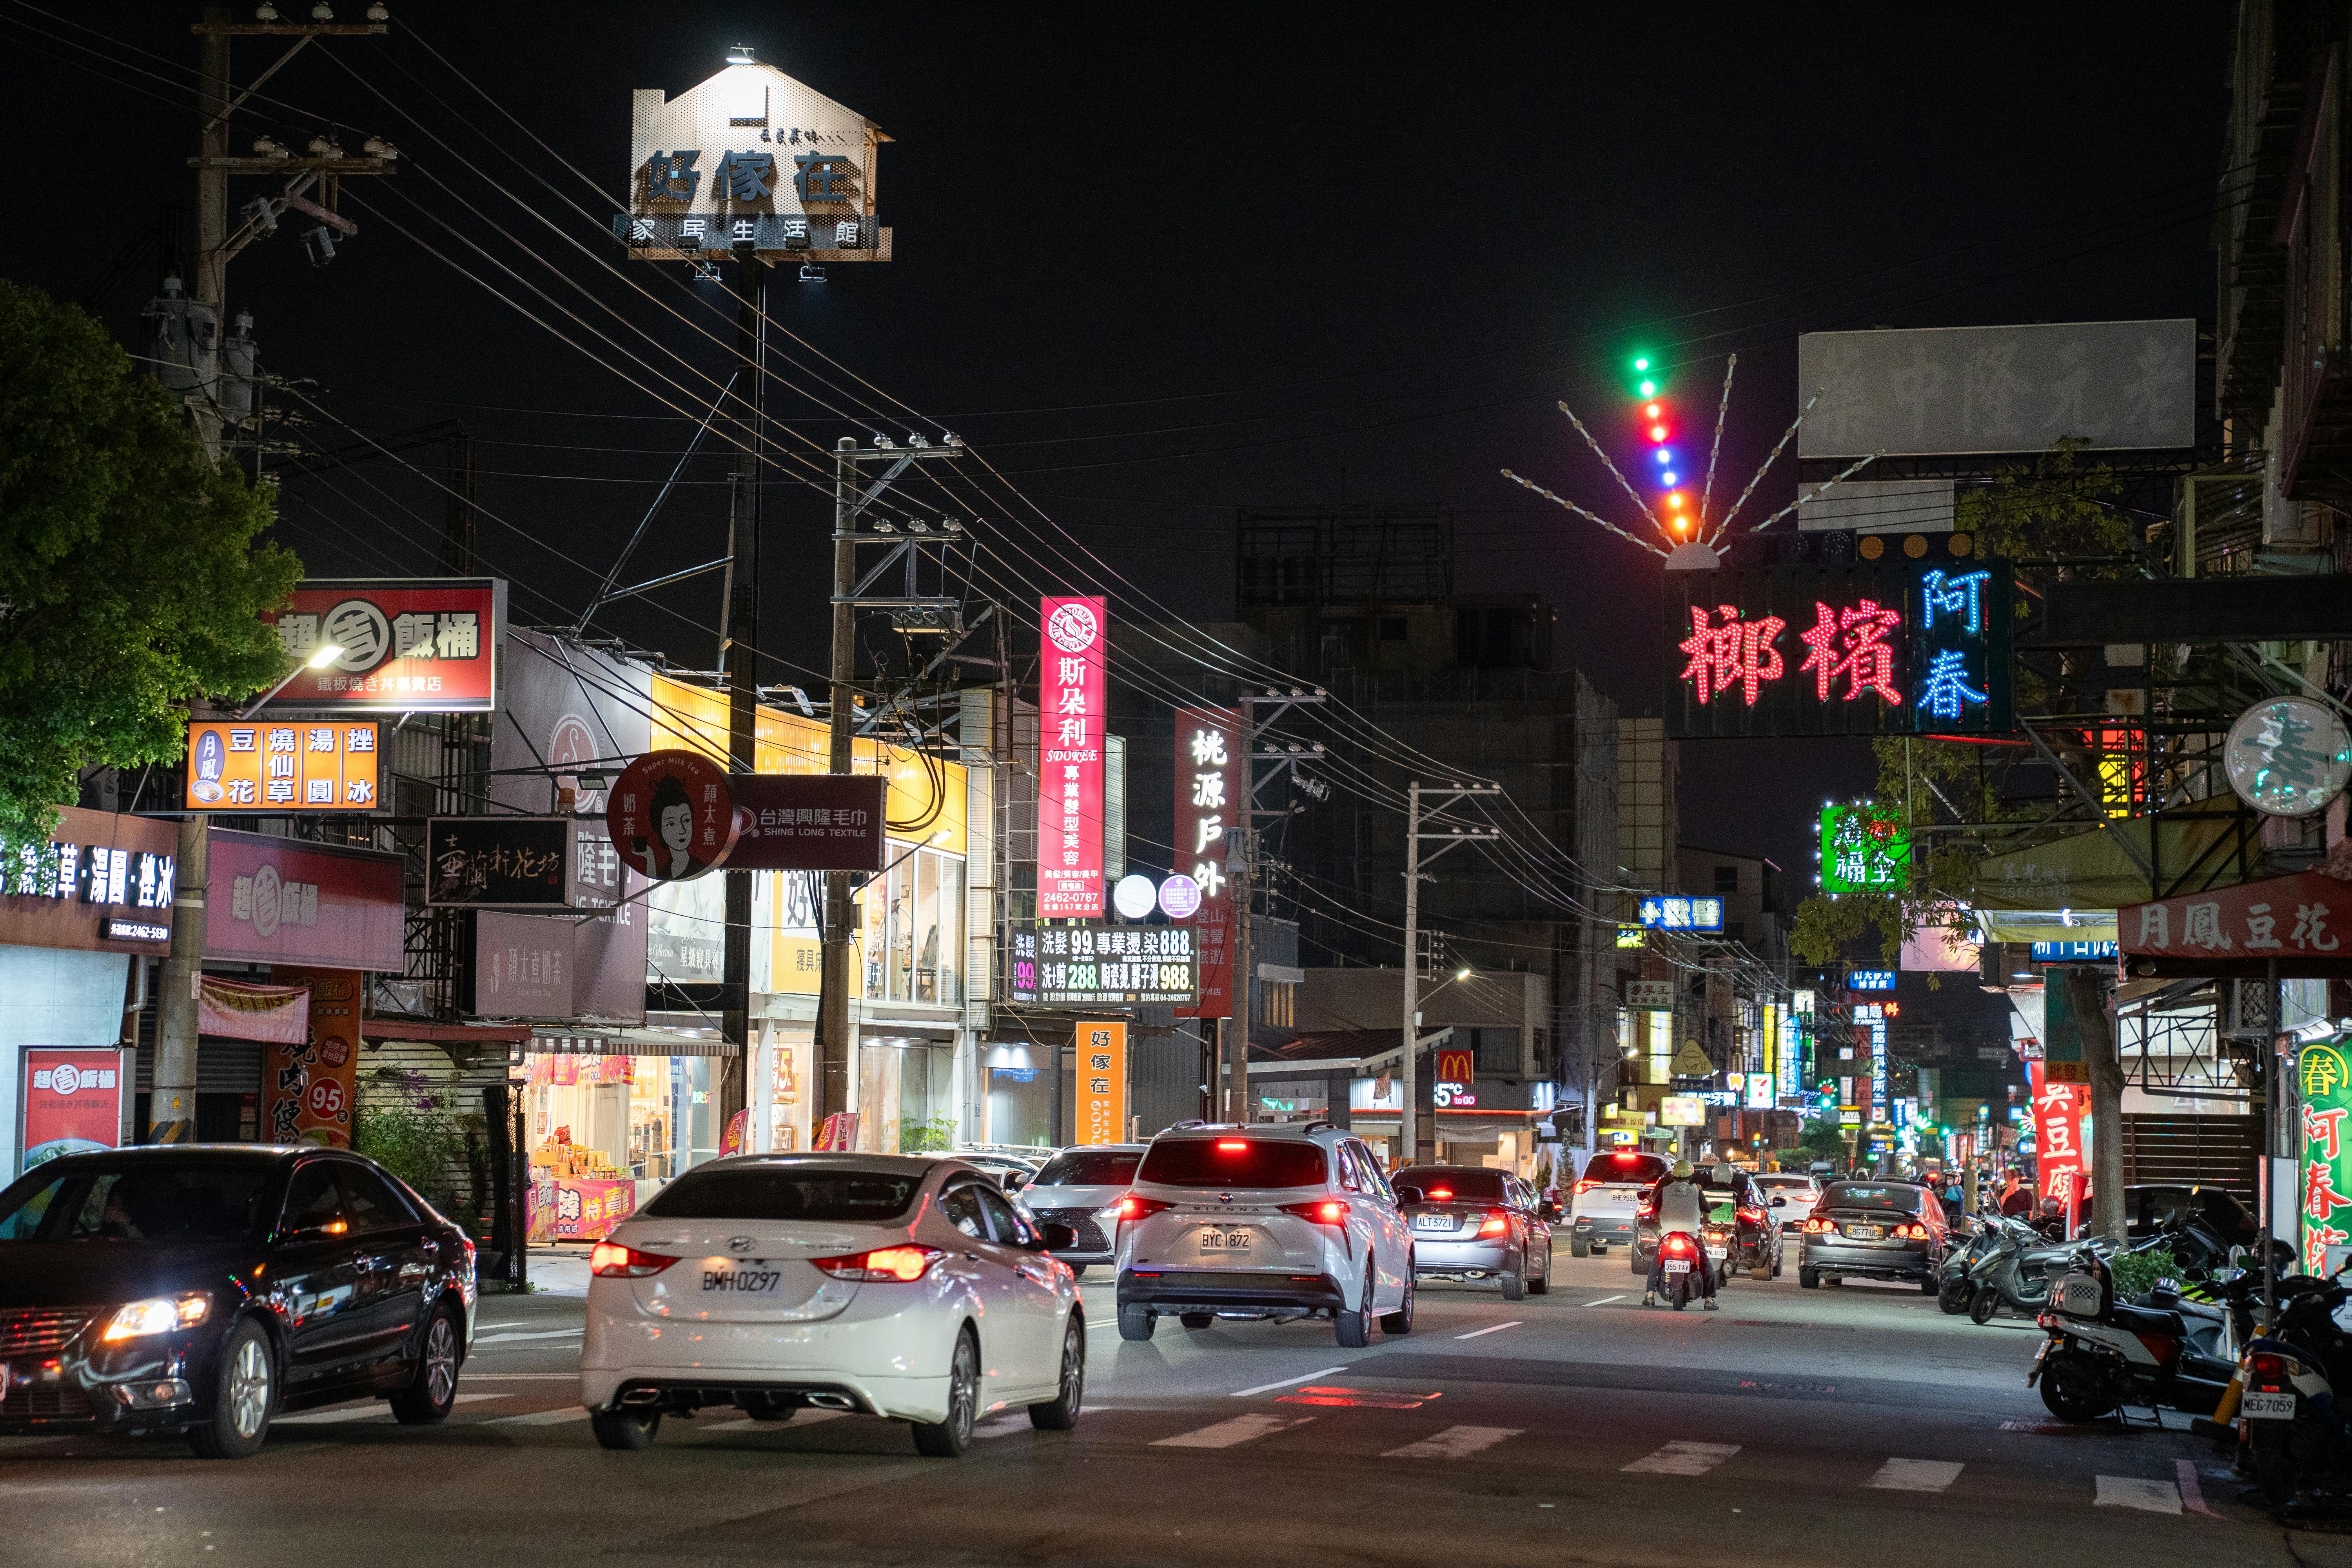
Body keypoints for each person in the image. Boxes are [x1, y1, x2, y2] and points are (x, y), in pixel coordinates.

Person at [1642, 1159, 1718, 1310]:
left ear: (1673, 1176)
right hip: (1691, 1236)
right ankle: (1709, 1300)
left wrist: (1657, 1217)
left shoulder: (1664, 1191)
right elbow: (1707, 1212)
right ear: (1690, 1176)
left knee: (1657, 1263)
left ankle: (1650, 1296)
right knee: (1705, 1264)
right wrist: (1706, 1221)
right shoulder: (1697, 1192)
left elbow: (1655, 1213)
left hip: (1668, 1236)